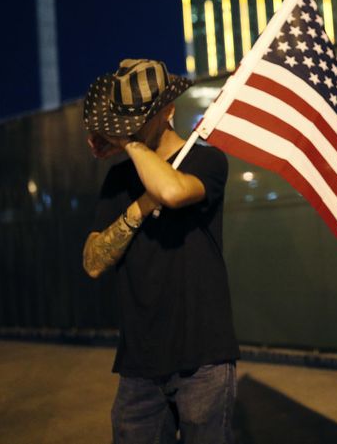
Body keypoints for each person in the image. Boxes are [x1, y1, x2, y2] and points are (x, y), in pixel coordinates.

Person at [82, 59, 239, 444]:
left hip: (203, 357)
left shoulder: (206, 159)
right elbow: (93, 261)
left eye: (138, 118)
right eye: (124, 119)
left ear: (168, 111)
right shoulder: (119, 177)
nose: (130, 128)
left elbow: (171, 191)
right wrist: (138, 207)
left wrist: (130, 142)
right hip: (140, 363)